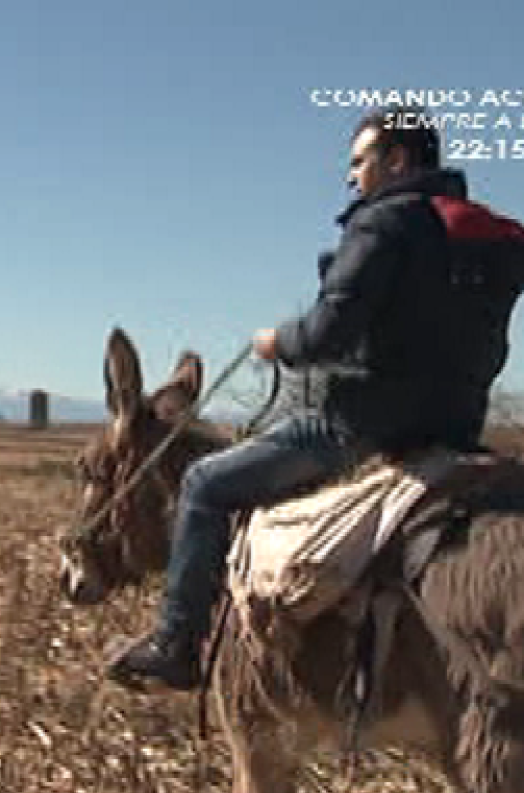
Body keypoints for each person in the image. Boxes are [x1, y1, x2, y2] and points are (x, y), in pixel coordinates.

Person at [108, 105, 524, 692]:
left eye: (359, 162)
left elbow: (332, 330)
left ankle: (178, 642)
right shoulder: (494, 236)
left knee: (204, 485)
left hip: (358, 427)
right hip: (455, 428)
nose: (352, 177)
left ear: (398, 159)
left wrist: (280, 342)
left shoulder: (383, 223)